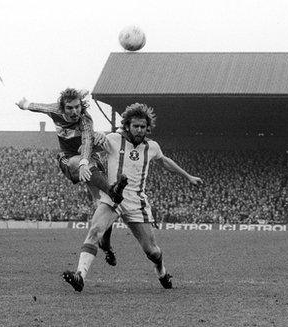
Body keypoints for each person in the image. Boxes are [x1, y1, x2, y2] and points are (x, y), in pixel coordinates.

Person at [62, 103, 203, 292]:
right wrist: (91, 141)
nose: (139, 130)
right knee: (95, 231)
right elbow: (86, 145)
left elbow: (165, 162)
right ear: (127, 125)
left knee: (152, 251)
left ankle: (161, 272)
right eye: (135, 126)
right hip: (113, 198)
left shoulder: (152, 147)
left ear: (147, 128)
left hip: (137, 204)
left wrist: (188, 176)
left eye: (143, 127)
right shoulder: (112, 139)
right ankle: (80, 276)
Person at [16, 88, 128, 265]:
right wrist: (25, 105)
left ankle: (106, 246)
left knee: (103, 205)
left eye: (77, 107)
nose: (75, 111)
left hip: (88, 157)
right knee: (79, 163)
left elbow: (86, 143)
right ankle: (113, 190)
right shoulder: (55, 111)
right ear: (63, 107)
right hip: (69, 159)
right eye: (70, 108)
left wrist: (90, 152)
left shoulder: (85, 119)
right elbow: (39, 107)